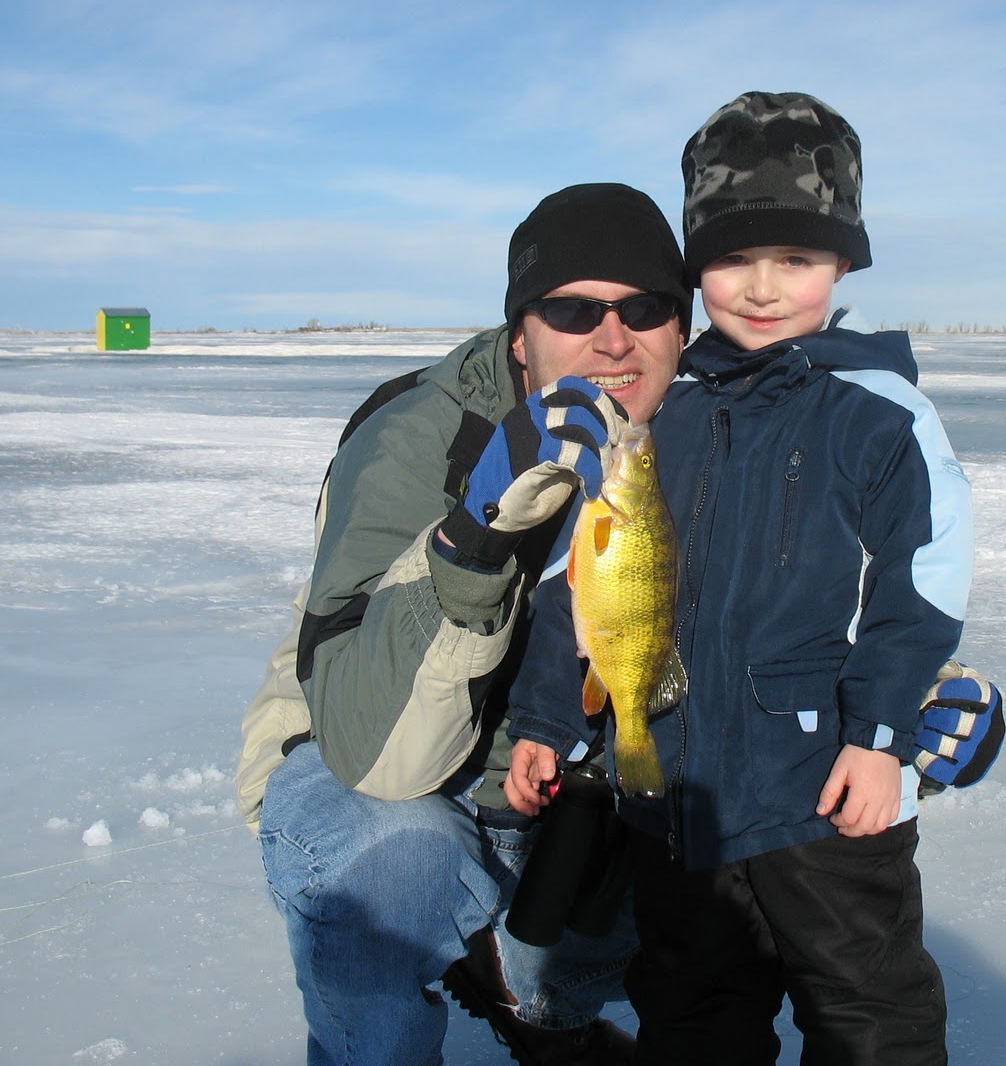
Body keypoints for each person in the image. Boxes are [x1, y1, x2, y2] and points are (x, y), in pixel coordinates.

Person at [506, 92, 1003, 1065]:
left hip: (826, 788)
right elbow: (584, 579)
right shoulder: (657, 406)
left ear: (845, 262)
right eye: (733, 259)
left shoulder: (873, 407)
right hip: (678, 794)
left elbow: (922, 587)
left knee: (867, 1012)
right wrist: (544, 718)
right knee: (692, 1014)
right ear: (695, 268)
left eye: (797, 259)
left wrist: (880, 738)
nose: (764, 287)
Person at [235, 182, 693, 1066]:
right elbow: (378, 753)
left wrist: (902, 719)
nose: (613, 337)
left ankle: (535, 999)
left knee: (728, 851)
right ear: (520, 335)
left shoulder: (703, 437)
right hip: (371, 769)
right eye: (572, 309)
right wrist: (479, 536)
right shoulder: (417, 438)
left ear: (681, 327)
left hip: (556, 791)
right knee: (397, 860)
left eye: (645, 307)